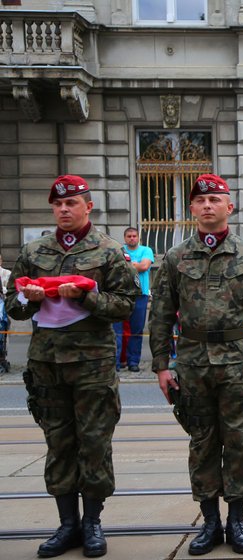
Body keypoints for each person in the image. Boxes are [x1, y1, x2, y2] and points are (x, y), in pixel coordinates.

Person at [4, 174, 139, 558]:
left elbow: (125, 305)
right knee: (58, 443)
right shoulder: (34, 251)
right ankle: (67, 525)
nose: (64, 209)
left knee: (94, 442)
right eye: (58, 204)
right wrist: (29, 299)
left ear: (88, 207)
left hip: (92, 363)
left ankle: (93, 523)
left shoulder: (109, 251)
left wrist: (87, 298)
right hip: (47, 363)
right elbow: (13, 306)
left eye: (72, 203)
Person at [148, 174, 243, 556]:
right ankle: (209, 522)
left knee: (238, 441)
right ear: (191, 208)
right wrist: (161, 365)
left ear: (229, 206)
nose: (208, 205)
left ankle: (237, 521)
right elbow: (159, 315)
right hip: (191, 363)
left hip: (237, 362)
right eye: (201, 199)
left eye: (215, 199)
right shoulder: (175, 257)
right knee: (202, 442)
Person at [112, 227, 154, 372]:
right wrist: (135, 265)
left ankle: (133, 362)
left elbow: (144, 266)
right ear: (124, 238)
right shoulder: (118, 249)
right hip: (120, 294)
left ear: (138, 238)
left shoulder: (146, 250)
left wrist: (127, 265)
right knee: (116, 330)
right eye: (129, 236)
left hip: (140, 295)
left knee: (136, 330)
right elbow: (115, 268)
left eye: (134, 236)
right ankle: (116, 362)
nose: (132, 238)